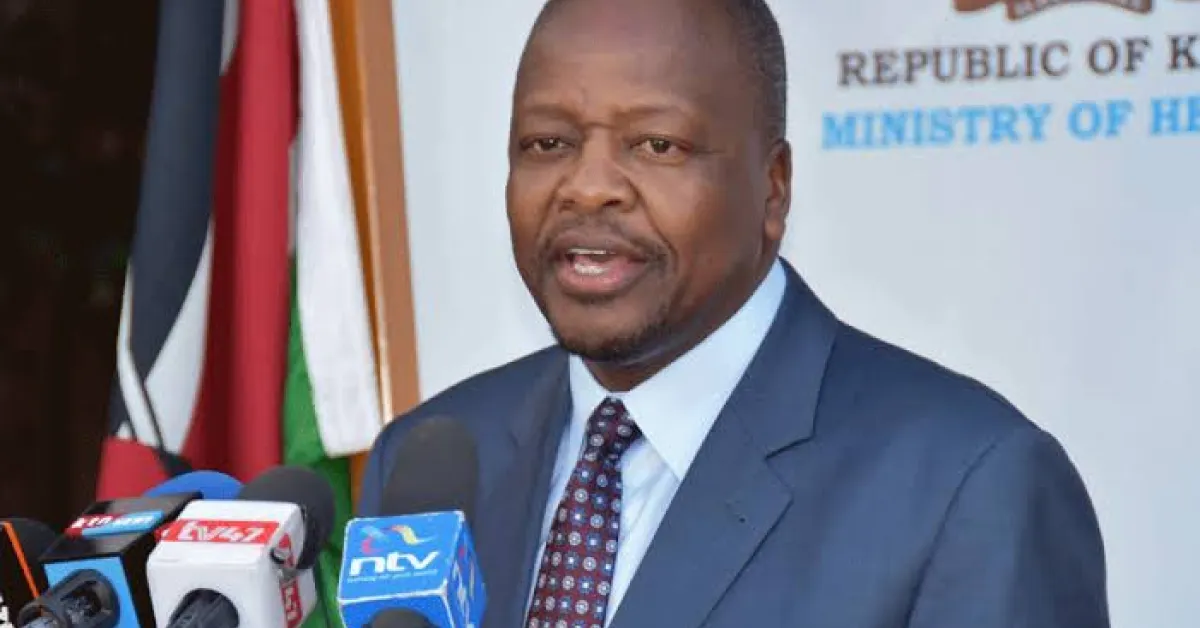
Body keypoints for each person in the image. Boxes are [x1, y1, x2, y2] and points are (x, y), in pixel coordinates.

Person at [359, 0, 1110, 626]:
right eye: (547, 142)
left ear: (773, 188)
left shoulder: (967, 486)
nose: (587, 187)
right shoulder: (428, 465)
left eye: (657, 144)